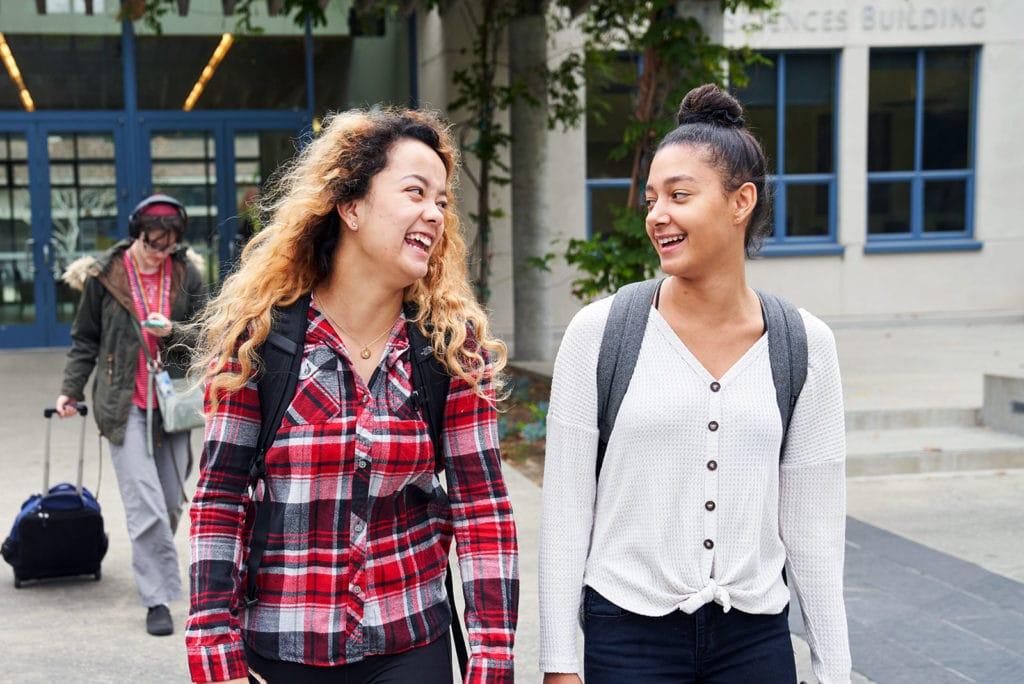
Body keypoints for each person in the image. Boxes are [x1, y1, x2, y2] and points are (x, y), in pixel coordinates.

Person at [185, 109, 519, 684]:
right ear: (352, 206)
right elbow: (220, 500)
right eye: (415, 192)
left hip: (411, 642)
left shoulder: (449, 347)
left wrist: (491, 660)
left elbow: (482, 509)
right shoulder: (262, 339)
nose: (434, 214)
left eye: (441, 200)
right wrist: (216, 654)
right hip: (282, 648)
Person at [539, 84, 851, 683]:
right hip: (627, 635)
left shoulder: (804, 345)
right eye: (652, 198)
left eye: (679, 196)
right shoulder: (600, 333)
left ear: (740, 202)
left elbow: (813, 525)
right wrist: (558, 662)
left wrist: (832, 668)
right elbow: (566, 510)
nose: (657, 214)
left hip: (754, 638)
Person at [56, 193, 208, 637]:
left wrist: (174, 331)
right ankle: (157, 598)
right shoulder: (106, 277)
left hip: (173, 404)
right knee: (145, 507)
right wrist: (70, 390)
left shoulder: (185, 272)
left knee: (169, 502)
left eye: (168, 246)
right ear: (136, 236)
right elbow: (84, 339)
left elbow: (208, 329)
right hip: (123, 405)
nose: (161, 254)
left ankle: (155, 571)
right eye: (153, 245)